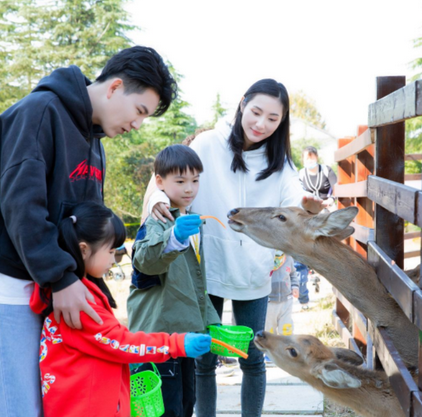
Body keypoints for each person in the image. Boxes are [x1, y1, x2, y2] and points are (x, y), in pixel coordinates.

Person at [0, 45, 177, 416]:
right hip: (9, 283)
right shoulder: (38, 113)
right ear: (115, 87)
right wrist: (60, 277)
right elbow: (21, 207)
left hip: (52, 289)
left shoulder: (94, 141)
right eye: (140, 111)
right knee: (17, 408)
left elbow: (85, 224)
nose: (138, 125)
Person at [143, 79, 326, 417]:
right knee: (204, 357)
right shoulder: (208, 143)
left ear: (281, 122)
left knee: (253, 356)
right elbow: (167, 177)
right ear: (242, 104)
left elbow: (293, 199)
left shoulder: (280, 163)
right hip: (207, 268)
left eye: (273, 118)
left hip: (253, 270)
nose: (261, 124)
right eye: (256, 112)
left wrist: (308, 205)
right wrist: (156, 198)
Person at [30, 201, 211, 417]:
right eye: (111, 251)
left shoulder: (76, 294)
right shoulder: (79, 305)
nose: (114, 260)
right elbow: (121, 343)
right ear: (84, 250)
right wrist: (177, 344)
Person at [126, 145, 221, 417]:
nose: (189, 188)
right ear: (159, 182)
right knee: (166, 409)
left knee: (185, 404)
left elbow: (195, 284)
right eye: (180, 181)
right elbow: (145, 260)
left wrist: (211, 322)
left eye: (195, 180)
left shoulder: (184, 219)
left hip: (184, 336)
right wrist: (173, 238)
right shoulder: (157, 220)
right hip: (158, 337)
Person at [296, 146, 337, 309]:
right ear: (303, 160)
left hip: (326, 209)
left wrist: (331, 200)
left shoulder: (326, 170)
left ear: (317, 157)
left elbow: (337, 188)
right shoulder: (301, 174)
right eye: (307, 158)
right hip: (308, 213)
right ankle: (303, 293)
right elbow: (298, 194)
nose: (310, 161)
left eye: (312, 158)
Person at [264, 252, 299, 336]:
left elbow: (293, 273)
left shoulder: (288, 257)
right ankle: (271, 348)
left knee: (286, 329)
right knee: (269, 331)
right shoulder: (265, 258)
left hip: (286, 300)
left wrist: (295, 286)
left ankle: (287, 346)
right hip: (269, 302)